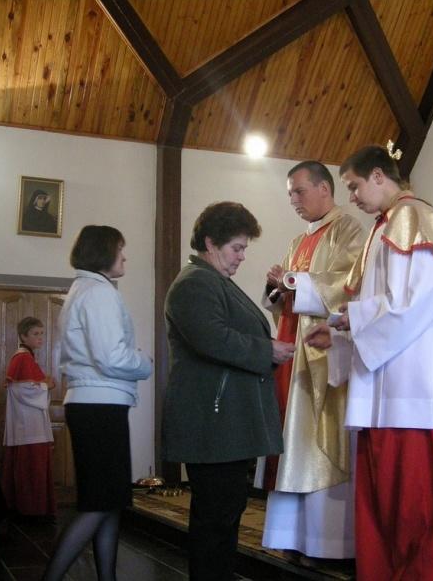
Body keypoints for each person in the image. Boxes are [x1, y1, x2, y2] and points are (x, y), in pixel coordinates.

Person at [305, 145, 433, 580]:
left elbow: (420, 301)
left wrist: (353, 318)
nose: (351, 197)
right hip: (390, 393)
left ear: (378, 176)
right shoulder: (384, 226)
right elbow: (381, 306)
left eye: (353, 186)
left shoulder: (413, 219)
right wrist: (340, 334)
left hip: (414, 394)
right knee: (392, 508)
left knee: (417, 509)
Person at [162, 201, 294, 581]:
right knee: (214, 520)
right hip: (212, 423)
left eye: (243, 248)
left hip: (225, 423)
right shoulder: (194, 283)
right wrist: (267, 349)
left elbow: (234, 331)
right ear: (210, 242)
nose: (241, 257)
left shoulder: (215, 280)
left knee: (224, 516)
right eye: (236, 247)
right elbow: (212, 339)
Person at [259, 161, 362, 559]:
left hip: (323, 355)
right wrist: (275, 288)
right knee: (289, 440)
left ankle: (327, 541)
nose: (293, 201)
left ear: (324, 188)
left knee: (317, 439)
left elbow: (349, 285)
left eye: (299, 191)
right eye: (289, 194)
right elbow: (283, 298)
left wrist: (294, 282)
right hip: (292, 353)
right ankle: (290, 537)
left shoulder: (348, 229)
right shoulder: (297, 241)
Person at [42, 225, 152, 581]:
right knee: (98, 504)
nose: (125, 256)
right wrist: (146, 362)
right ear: (104, 252)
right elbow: (111, 357)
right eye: (121, 249)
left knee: (109, 503)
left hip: (94, 403)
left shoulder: (85, 289)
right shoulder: (99, 293)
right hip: (99, 406)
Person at [2, 317, 57, 518]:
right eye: (36, 334)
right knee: (31, 469)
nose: (40, 337)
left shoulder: (27, 358)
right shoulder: (22, 358)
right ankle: (32, 510)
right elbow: (23, 390)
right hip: (28, 425)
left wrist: (43, 384)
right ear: (23, 336)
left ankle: (31, 508)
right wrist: (46, 385)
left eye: (42, 333)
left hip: (29, 423)